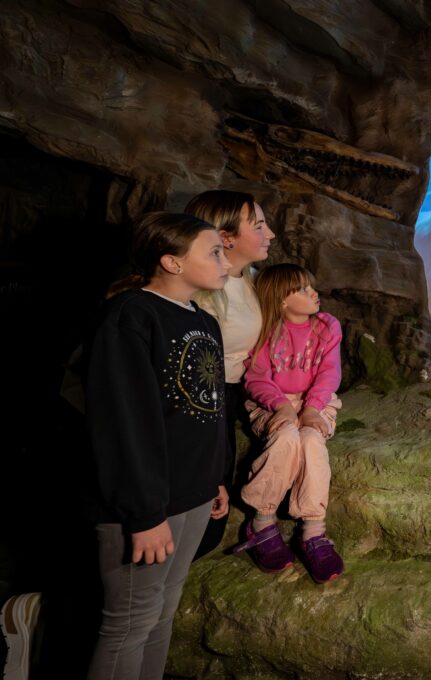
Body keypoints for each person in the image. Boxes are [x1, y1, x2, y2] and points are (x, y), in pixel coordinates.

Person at [84, 212, 231, 679]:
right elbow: (124, 421)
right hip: (146, 506)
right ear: (171, 261)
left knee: (162, 614)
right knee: (129, 623)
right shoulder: (132, 315)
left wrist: (216, 478)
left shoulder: (204, 320)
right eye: (213, 251)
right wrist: (145, 514)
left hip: (193, 495)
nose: (225, 260)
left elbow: (211, 408)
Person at [231, 263, 345, 584]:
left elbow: (329, 373)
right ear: (282, 300)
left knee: (311, 441)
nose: (313, 292)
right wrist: (281, 406)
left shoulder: (327, 326)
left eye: (311, 286)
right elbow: (256, 377)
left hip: (316, 401)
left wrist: (312, 409)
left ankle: (313, 531)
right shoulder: (267, 330)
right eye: (302, 289)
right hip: (273, 401)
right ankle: (262, 522)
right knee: (286, 439)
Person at [184, 190, 276, 559]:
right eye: (259, 226)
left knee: (206, 527)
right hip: (201, 399)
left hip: (234, 394)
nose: (270, 234)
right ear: (226, 238)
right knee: (200, 520)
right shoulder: (198, 295)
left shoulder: (252, 279)